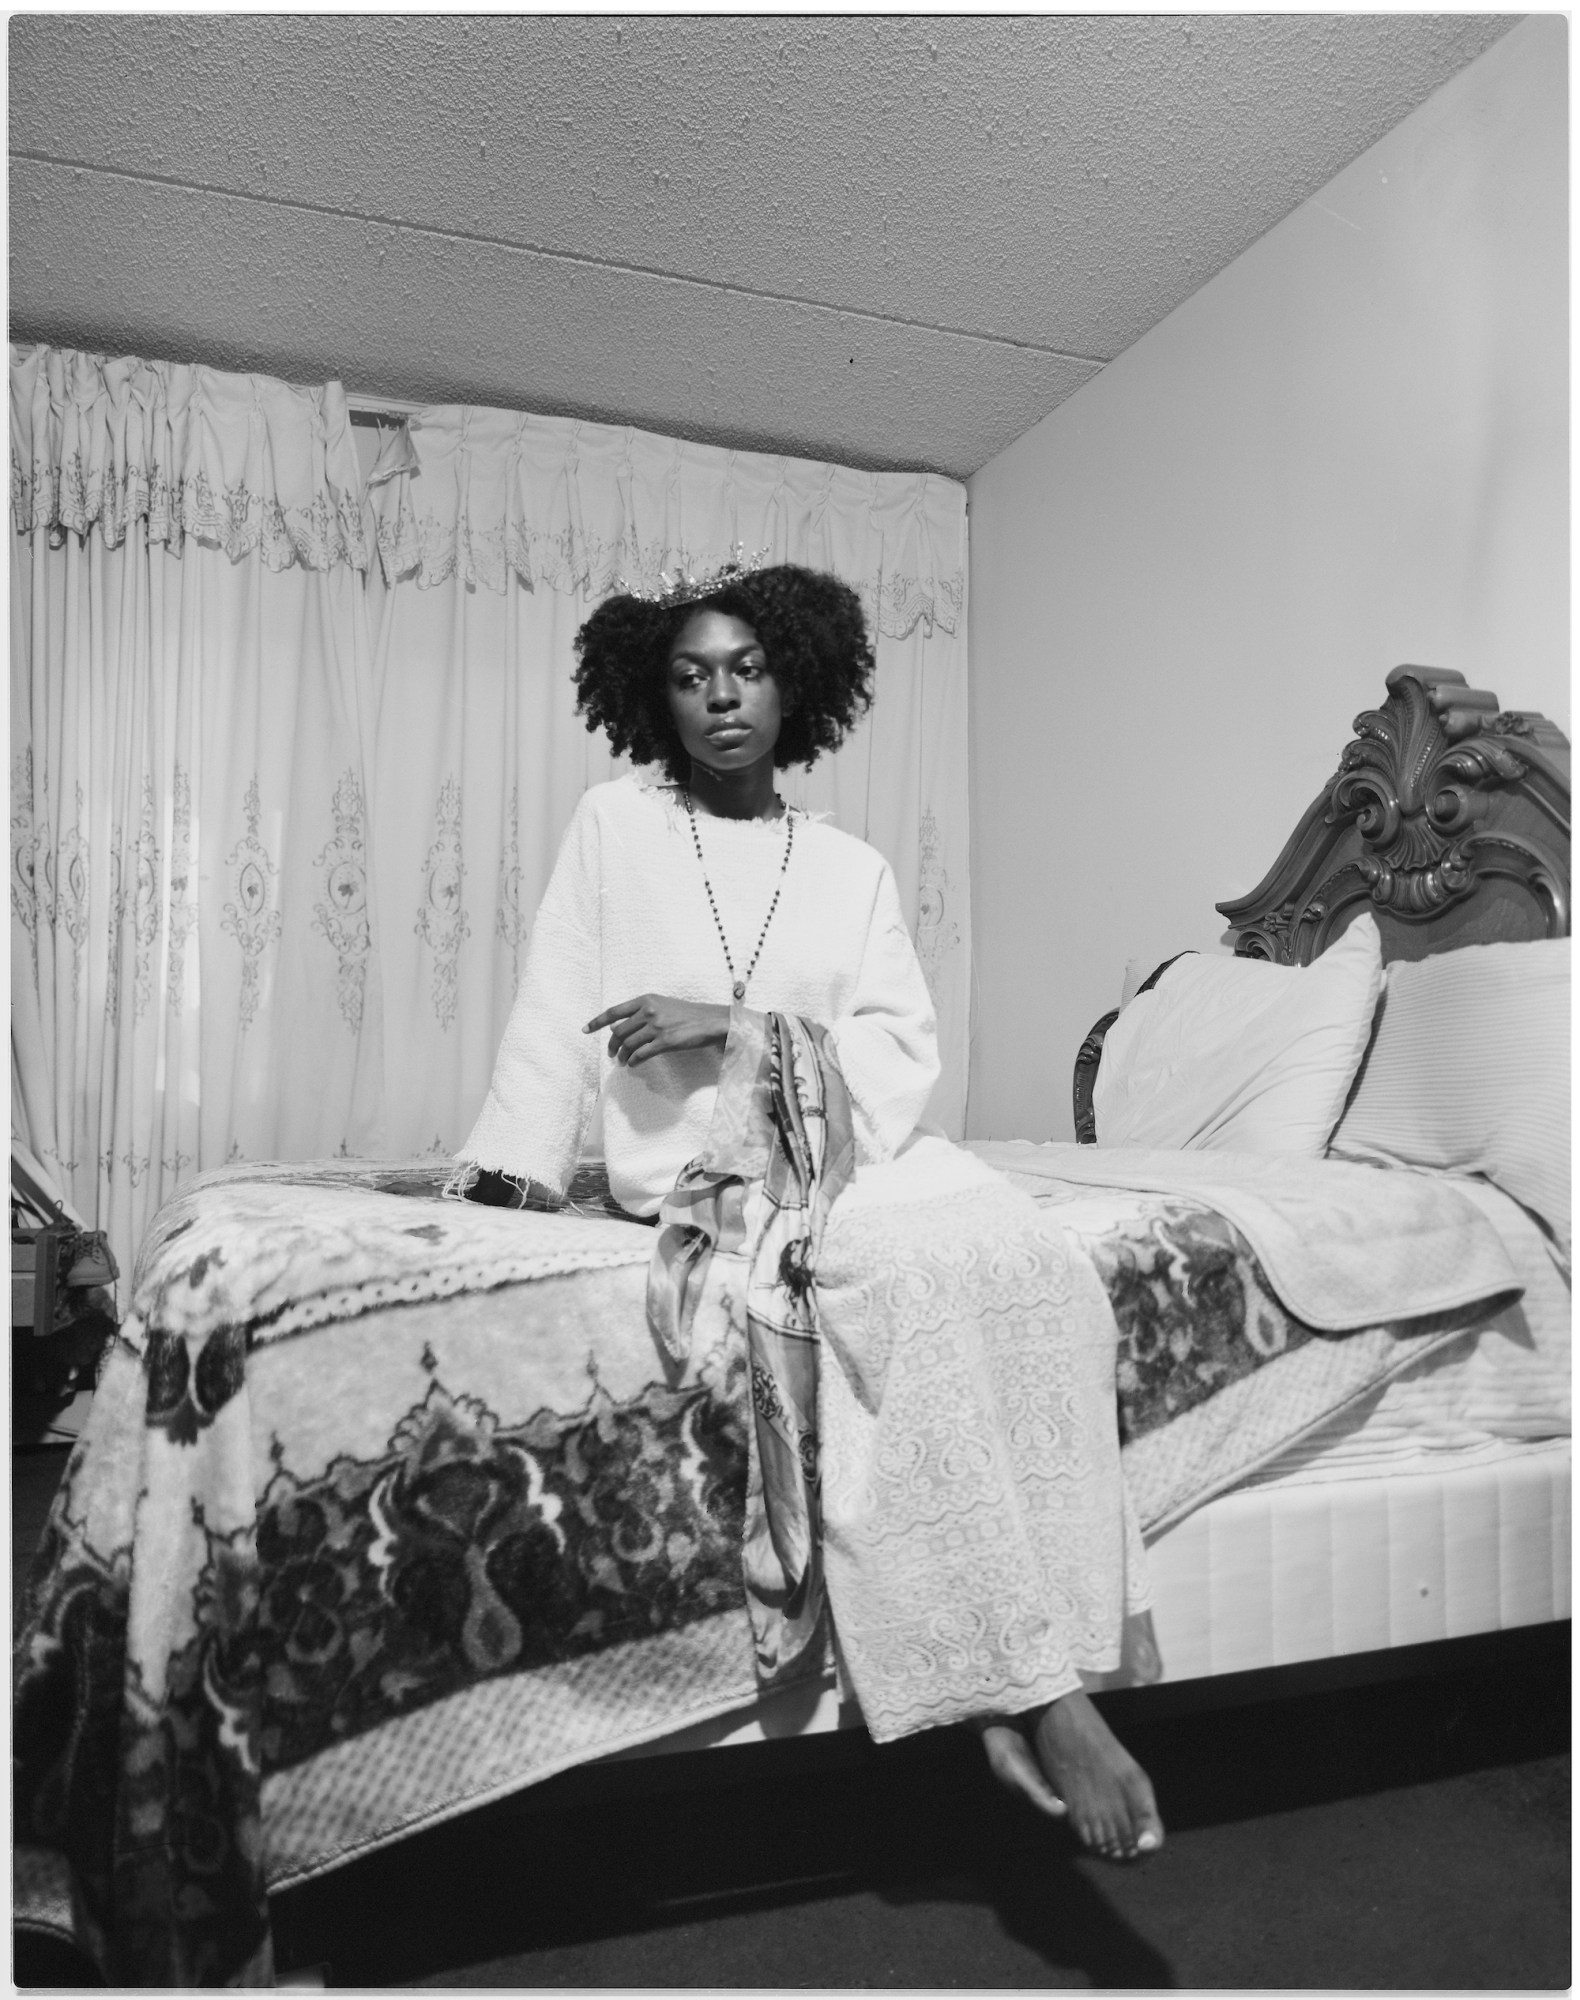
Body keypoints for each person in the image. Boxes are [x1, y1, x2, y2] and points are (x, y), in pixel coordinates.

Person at [452, 558, 1163, 1861]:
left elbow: (900, 1047)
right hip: (711, 1184)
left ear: (797, 684)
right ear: (652, 700)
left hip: (856, 1159)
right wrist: (512, 1178)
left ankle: (1018, 1675)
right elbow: (558, 1009)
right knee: (891, 1288)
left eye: (747, 669)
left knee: (1023, 1260)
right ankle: (1038, 1696)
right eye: (689, 676)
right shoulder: (617, 826)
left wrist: (736, 1025)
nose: (720, 697)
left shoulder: (850, 866)